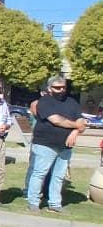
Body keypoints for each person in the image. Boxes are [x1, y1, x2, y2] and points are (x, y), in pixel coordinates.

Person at [25, 76, 86, 213]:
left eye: (63, 87)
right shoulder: (44, 102)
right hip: (45, 144)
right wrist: (77, 125)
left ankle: (55, 204)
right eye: (57, 87)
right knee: (39, 173)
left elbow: (81, 120)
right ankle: (33, 202)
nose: (61, 90)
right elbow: (56, 120)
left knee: (58, 176)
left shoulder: (72, 102)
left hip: (65, 146)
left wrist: (75, 131)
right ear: (49, 88)